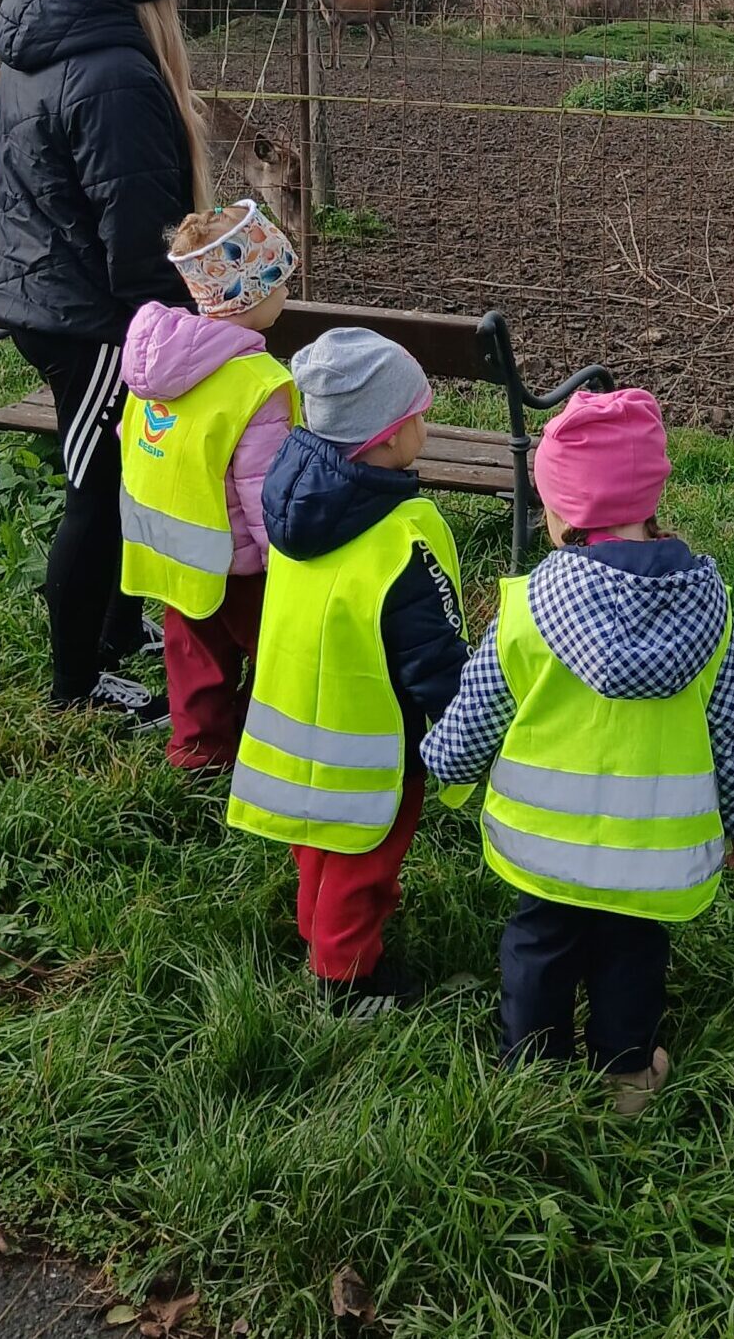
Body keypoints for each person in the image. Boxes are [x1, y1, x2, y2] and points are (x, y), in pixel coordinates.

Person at [421, 387, 734, 1115]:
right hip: (652, 853)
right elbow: (733, 723)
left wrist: (442, 766)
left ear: (561, 511)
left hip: (545, 845)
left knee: (538, 948)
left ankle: (531, 1073)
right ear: (652, 496)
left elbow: (479, 707)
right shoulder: (713, 607)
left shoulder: (525, 609)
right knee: (634, 952)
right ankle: (628, 1074)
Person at [0, 0, 210, 725]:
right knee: (97, 484)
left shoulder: (40, 44)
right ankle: (76, 686)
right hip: (91, 322)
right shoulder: (118, 73)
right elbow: (140, 238)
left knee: (121, 478)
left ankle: (117, 630)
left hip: (46, 290)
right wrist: (178, 326)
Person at [226, 329, 468, 1018]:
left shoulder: (291, 498)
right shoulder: (403, 534)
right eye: (419, 414)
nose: (427, 424)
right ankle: (344, 976)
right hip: (375, 739)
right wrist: (471, 728)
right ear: (387, 439)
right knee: (365, 855)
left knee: (318, 839)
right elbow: (433, 656)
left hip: (298, 719)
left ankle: (317, 923)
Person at [119, 201, 298, 773]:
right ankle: (276, 750)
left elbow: (133, 435)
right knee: (275, 650)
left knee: (193, 651)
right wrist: (286, 563)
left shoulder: (156, 361)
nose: (286, 294)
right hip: (240, 557)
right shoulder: (257, 381)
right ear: (254, 293)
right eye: (281, 282)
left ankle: (197, 752)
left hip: (175, 546)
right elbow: (263, 487)